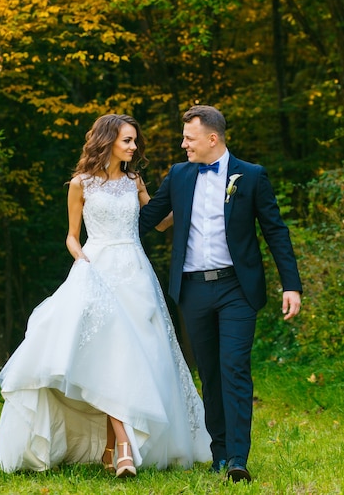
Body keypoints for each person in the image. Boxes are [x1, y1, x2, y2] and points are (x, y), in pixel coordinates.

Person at [0, 113, 211, 476]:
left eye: (134, 141)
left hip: (135, 273)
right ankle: (123, 447)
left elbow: (158, 220)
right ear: (107, 140)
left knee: (136, 355)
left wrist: (188, 202)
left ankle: (113, 448)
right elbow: (72, 235)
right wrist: (81, 258)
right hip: (97, 268)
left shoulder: (134, 180)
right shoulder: (81, 184)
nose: (134, 147)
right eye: (127, 140)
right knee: (109, 352)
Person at [139, 105, 302, 483]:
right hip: (192, 290)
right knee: (210, 374)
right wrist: (115, 192)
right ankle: (219, 452)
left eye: (188, 138)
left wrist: (291, 284)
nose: (183, 145)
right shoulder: (178, 175)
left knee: (234, 369)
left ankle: (237, 459)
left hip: (236, 289)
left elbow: (276, 231)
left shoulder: (252, 176)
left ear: (212, 139)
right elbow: (147, 221)